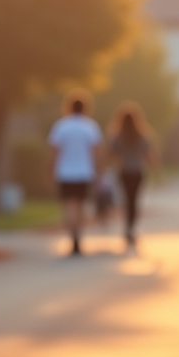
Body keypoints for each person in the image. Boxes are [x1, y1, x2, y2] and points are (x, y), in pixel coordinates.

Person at [47, 90, 103, 256]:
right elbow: (97, 152)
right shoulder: (90, 127)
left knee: (69, 206)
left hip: (65, 173)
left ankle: (73, 237)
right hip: (84, 173)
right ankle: (78, 238)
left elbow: (54, 153)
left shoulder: (61, 127)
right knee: (80, 206)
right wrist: (99, 172)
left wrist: (49, 172)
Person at [106, 101, 158, 251]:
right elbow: (149, 155)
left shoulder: (118, 136)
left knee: (126, 200)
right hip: (137, 172)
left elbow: (111, 153)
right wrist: (156, 171)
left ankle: (127, 227)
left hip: (123, 172)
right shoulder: (142, 135)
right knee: (134, 201)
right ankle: (131, 228)